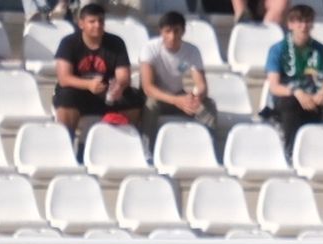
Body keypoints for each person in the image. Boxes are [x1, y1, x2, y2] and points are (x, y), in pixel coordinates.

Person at [52, 3, 144, 141]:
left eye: (101, 21)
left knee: (134, 97)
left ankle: (124, 141)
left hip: (106, 93)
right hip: (77, 92)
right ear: (81, 23)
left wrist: (119, 86)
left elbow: (124, 75)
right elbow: (64, 78)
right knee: (66, 95)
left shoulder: (116, 42)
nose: (97, 25)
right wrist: (88, 85)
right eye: (92, 21)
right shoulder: (68, 42)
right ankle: (66, 144)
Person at [262, 4, 323, 149]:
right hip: (287, 97)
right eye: (299, 21)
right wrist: (297, 92)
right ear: (290, 24)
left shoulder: (321, 50)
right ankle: (291, 150)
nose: (303, 26)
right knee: (289, 103)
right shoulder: (277, 49)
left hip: (313, 96)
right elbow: (275, 86)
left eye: (307, 21)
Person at [140, 11, 217, 131]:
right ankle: (146, 146)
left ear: (183, 31)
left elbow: (201, 84)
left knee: (208, 105)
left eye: (176, 31)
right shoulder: (150, 49)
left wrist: (196, 97)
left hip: (179, 94)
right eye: (168, 31)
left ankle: (209, 144)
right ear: (160, 32)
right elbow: (148, 88)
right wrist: (176, 100)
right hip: (158, 97)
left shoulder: (192, 51)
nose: (172, 36)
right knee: (151, 105)